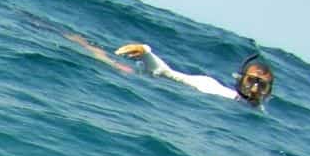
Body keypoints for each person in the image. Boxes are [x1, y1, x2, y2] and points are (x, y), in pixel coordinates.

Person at [114, 43, 274, 105]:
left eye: (262, 85)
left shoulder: (261, 115)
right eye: (251, 80)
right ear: (240, 79)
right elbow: (165, 73)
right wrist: (146, 53)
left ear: (269, 92)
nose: (254, 88)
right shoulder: (211, 88)